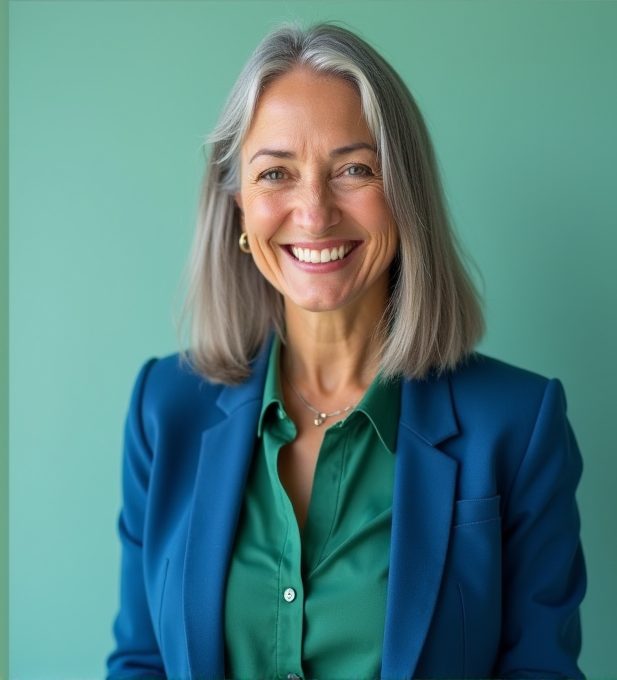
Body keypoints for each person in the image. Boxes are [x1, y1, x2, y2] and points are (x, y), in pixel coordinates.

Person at [107, 21, 586, 680]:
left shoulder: (519, 425)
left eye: (354, 169)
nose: (314, 211)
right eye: (276, 172)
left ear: (404, 197)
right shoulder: (162, 411)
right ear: (239, 209)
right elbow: (141, 663)